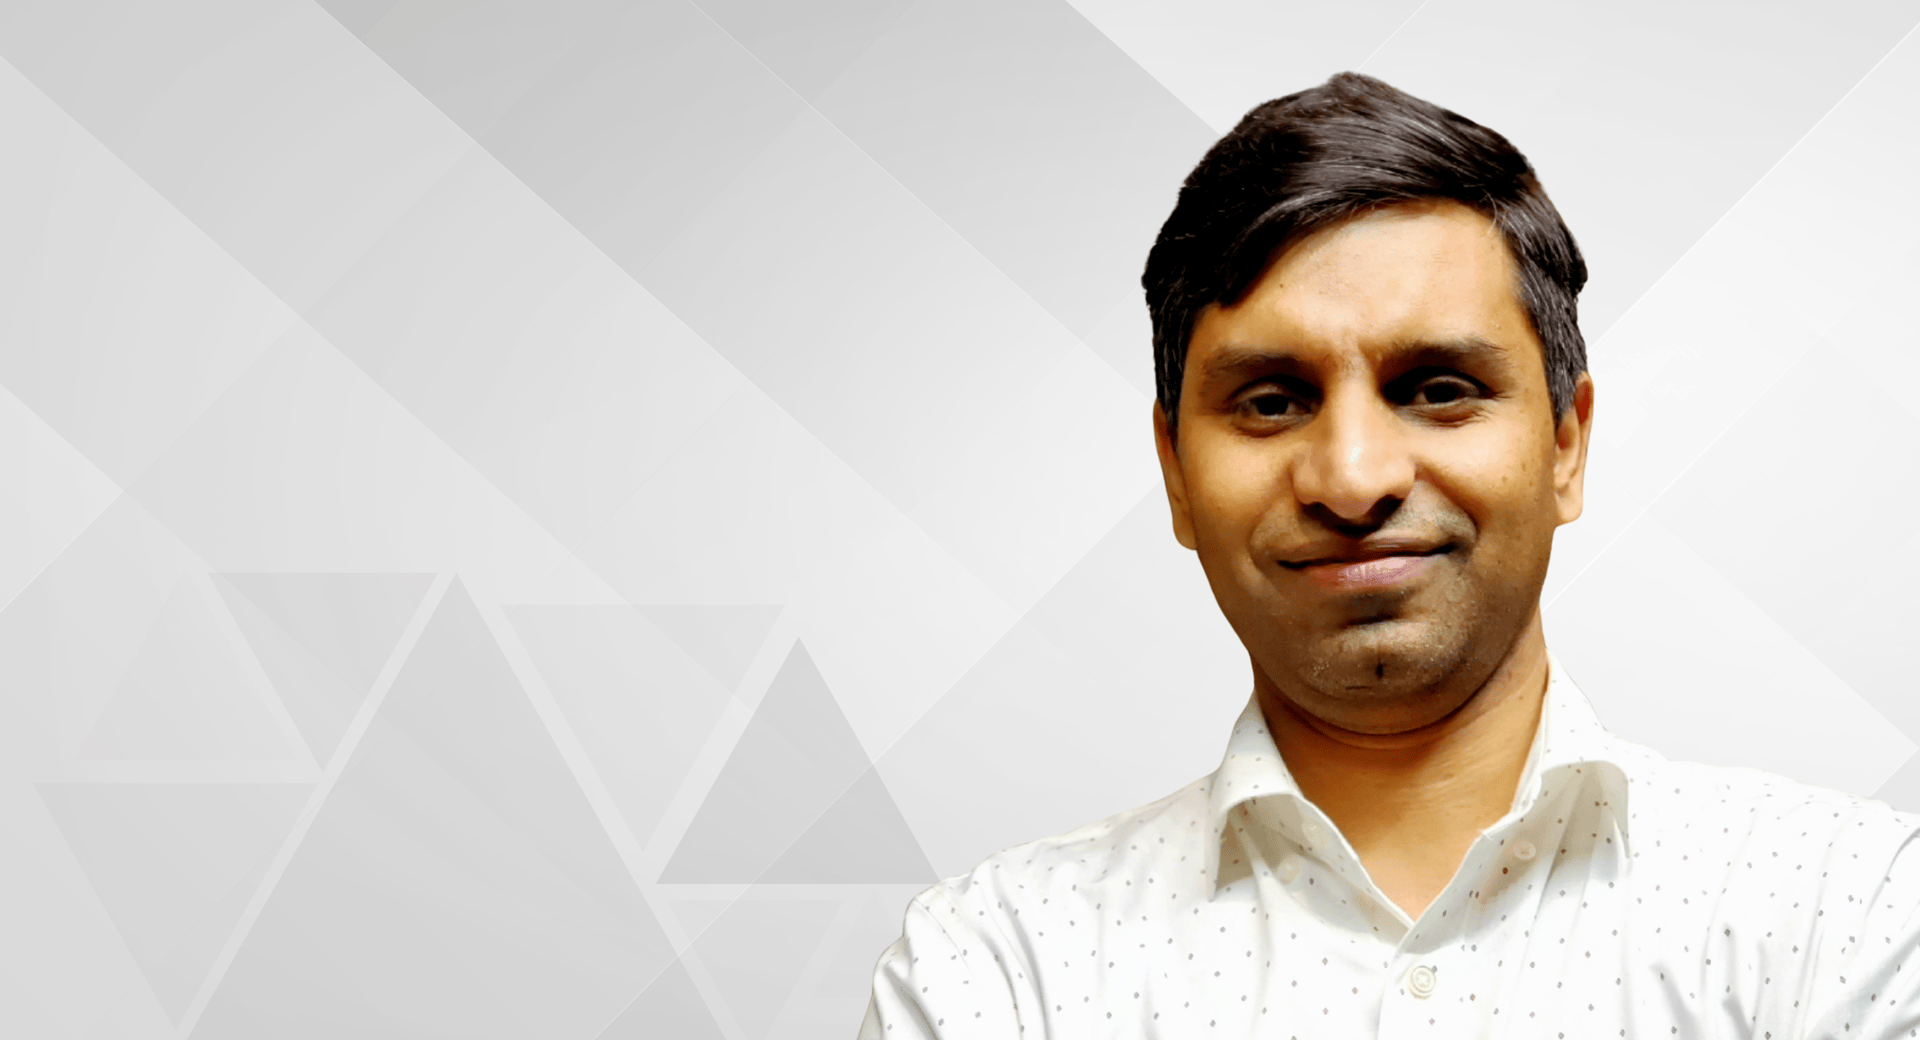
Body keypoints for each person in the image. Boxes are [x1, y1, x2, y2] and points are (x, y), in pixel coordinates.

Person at [856, 71, 1920, 1038]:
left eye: (1438, 388)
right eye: (1271, 401)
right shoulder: (996, 969)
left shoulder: (1850, 911)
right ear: (1176, 471)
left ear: (1565, 444)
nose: (1354, 477)